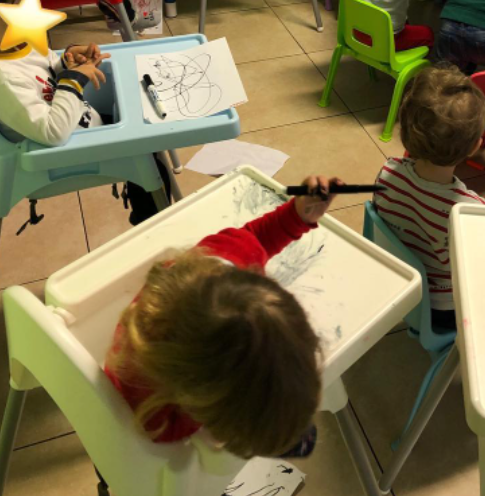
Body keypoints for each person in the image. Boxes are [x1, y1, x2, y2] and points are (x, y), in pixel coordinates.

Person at [104, 175, 342, 457]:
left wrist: (297, 215)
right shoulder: (150, 406)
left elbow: (259, 238)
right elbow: (174, 433)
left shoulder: (228, 258)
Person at [0, 0, 167, 223]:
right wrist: (73, 80)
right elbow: (52, 132)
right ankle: (151, 226)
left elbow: (42, 66)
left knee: (147, 119)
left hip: (84, 121)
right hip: (61, 156)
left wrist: (65, 61)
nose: (33, 14)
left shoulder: (8, 44)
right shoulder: (1, 80)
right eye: (25, 7)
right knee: (151, 156)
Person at [373, 67, 485, 328]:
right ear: (474, 147)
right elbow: (477, 270)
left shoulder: (387, 173)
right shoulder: (468, 210)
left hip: (399, 288)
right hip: (443, 310)